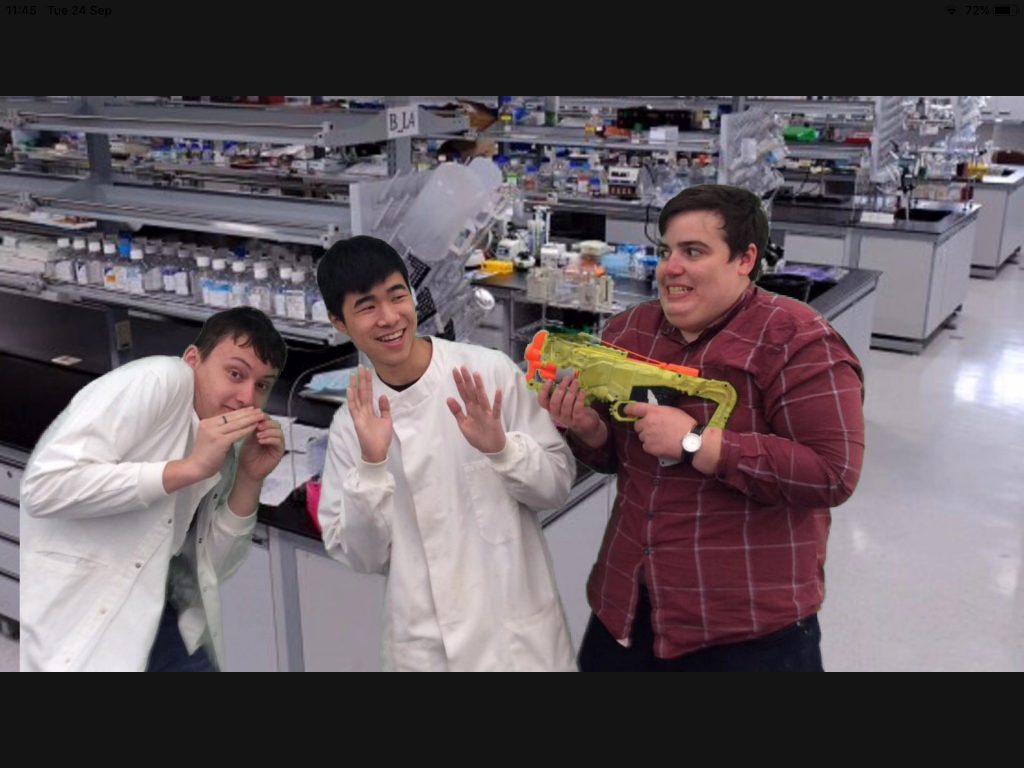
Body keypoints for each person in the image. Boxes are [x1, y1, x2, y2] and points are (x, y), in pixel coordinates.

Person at [540, 184, 865, 671]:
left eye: (694, 251)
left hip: (746, 627)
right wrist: (588, 429)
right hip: (629, 607)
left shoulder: (799, 343)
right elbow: (619, 459)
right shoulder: (628, 332)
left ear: (745, 259)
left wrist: (697, 442)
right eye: (666, 251)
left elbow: (832, 473)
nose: (671, 267)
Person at [316, 235, 576, 671]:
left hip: (514, 638)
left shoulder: (486, 372)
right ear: (339, 323)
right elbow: (363, 557)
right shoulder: (352, 424)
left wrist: (502, 450)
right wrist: (372, 466)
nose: (389, 317)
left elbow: (555, 488)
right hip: (424, 647)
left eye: (397, 296)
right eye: (366, 306)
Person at [20, 307, 287, 672]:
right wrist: (188, 469)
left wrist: (249, 478)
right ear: (193, 360)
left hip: (156, 608)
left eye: (262, 385)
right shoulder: (162, 379)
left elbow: (213, 567)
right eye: (235, 373)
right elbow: (45, 488)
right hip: (89, 606)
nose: (246, 397)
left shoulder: (221, 437)